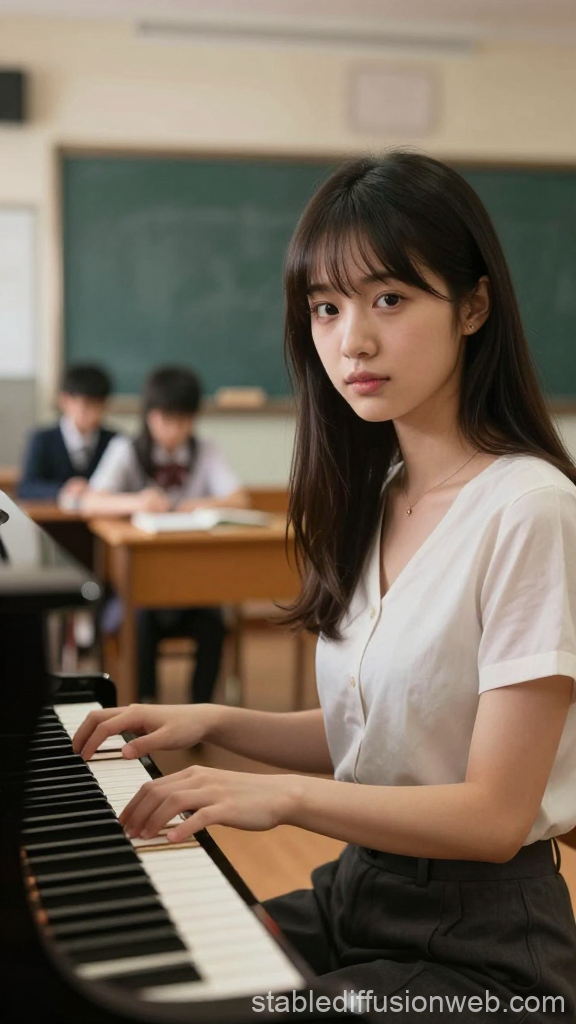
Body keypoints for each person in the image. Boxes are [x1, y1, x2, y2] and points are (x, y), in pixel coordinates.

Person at [73, 153, 576, 1021]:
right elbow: (392, 731)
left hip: (485, 949)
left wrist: (281, 796)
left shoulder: (531, 509)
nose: (353, 341)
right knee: (140, 980)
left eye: (389, 299)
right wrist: (217, 723)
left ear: (474, 306)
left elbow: (497, 815)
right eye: (326, 308)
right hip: (359, 891)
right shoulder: (378, 498)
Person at [82, 365, 248, 703]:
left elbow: (239, 498)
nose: (175, 430)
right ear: (149, 416)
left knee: (213, 623)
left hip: (195, 584)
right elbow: (90, 502)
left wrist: (198, 504)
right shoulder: (125, 449)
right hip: (139, 589)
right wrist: (136, 501)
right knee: (140, 621)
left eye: (184, 420)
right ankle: (146, 701)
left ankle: (201, 707)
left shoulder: (206, 450)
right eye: (166, 419)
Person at [18, 364, 115, 503]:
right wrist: (63, 489)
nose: (91, 412)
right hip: (52, 521)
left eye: (97, 404)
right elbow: (26, 488)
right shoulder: (42, 439)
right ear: (64, 401)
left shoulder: (115, 441)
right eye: (85, 404)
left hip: (101, 518)